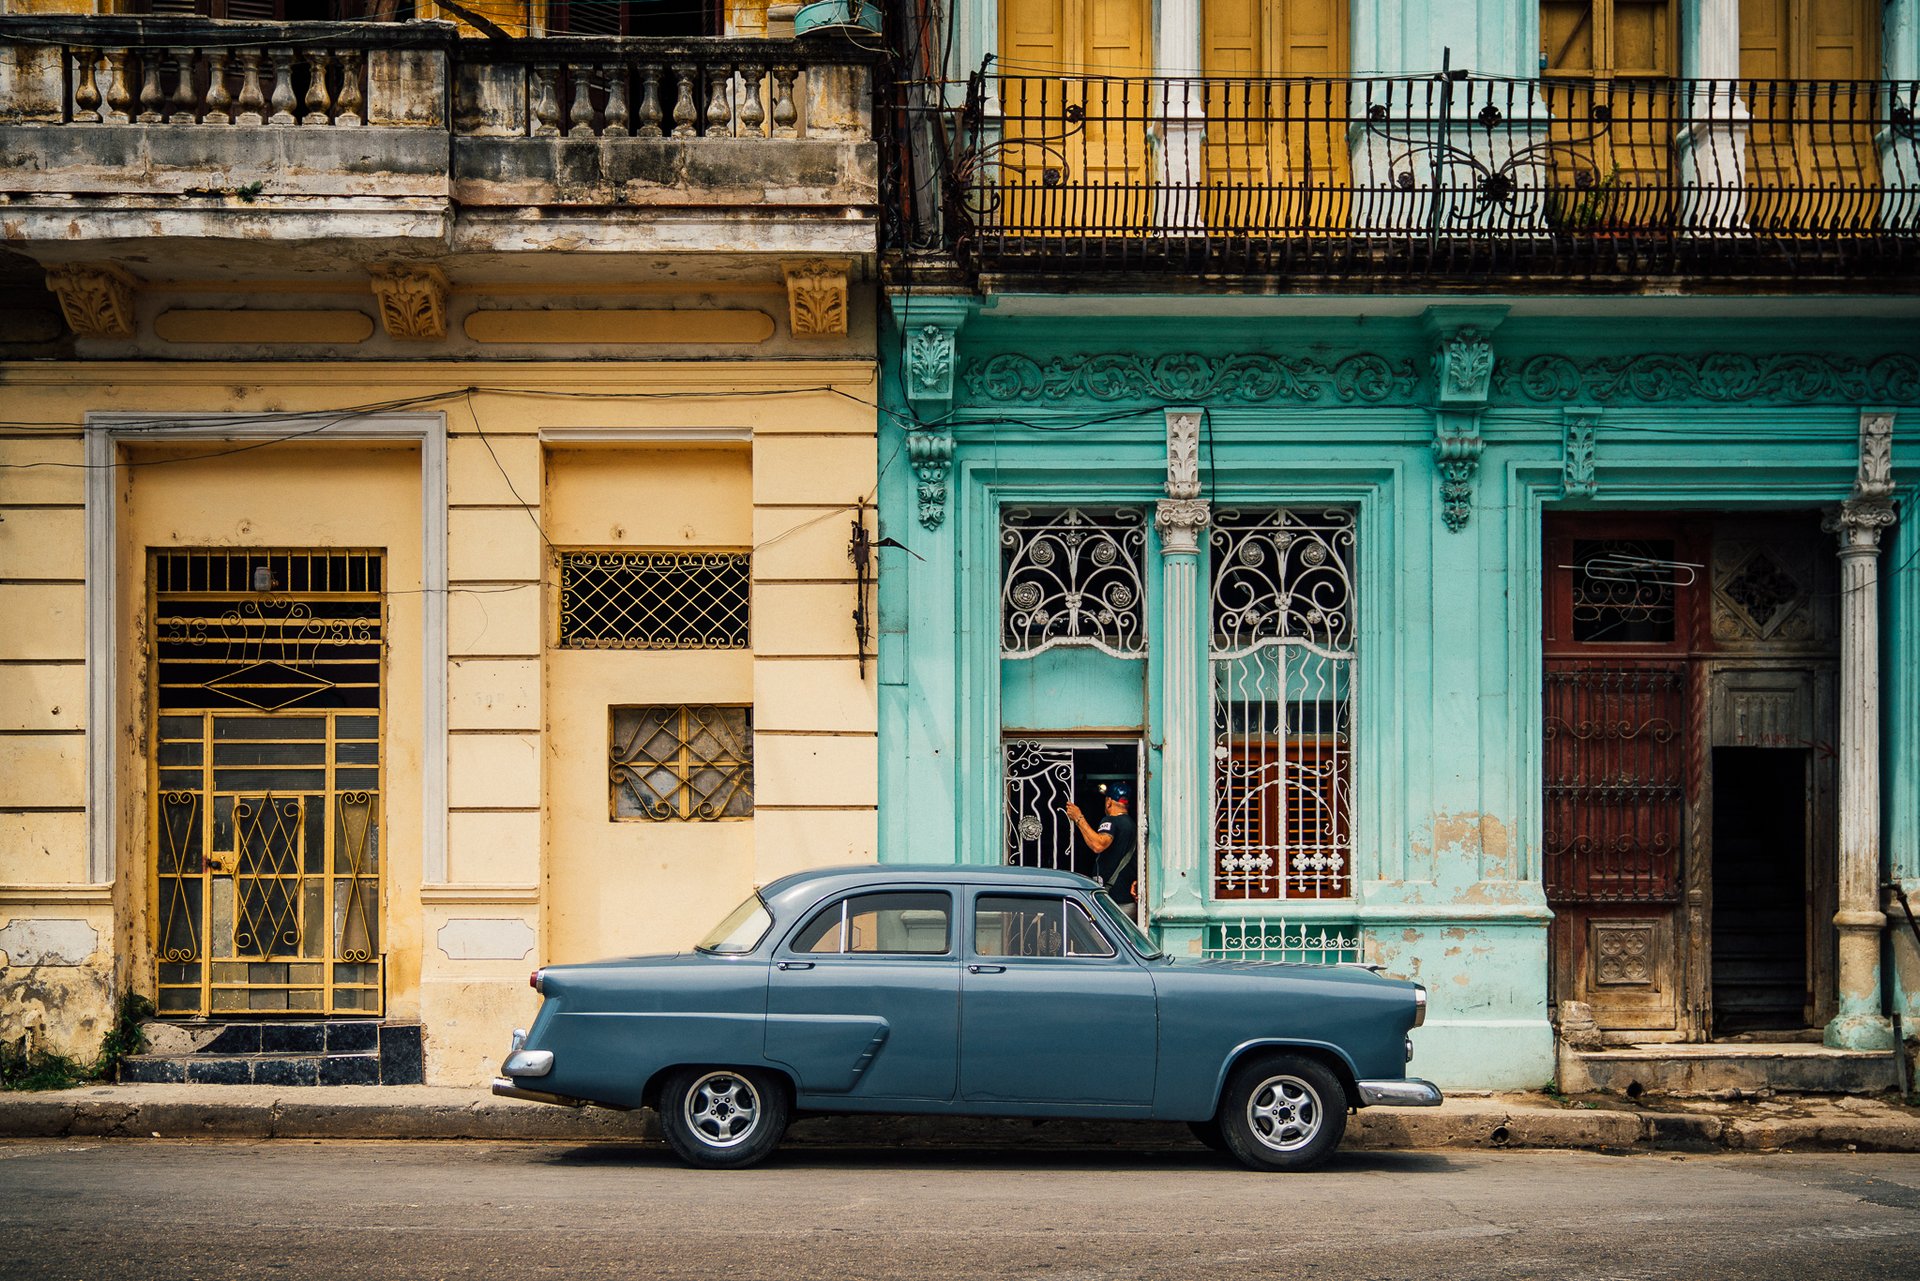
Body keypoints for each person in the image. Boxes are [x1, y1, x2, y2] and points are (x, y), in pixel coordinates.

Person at [1064, 781, 1137, 905]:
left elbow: (1098, 845)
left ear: (1109, 802)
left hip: (1114, 901)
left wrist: (1078, 817)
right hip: (1127, 898)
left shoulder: (1111, 820)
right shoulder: (1132, 825)